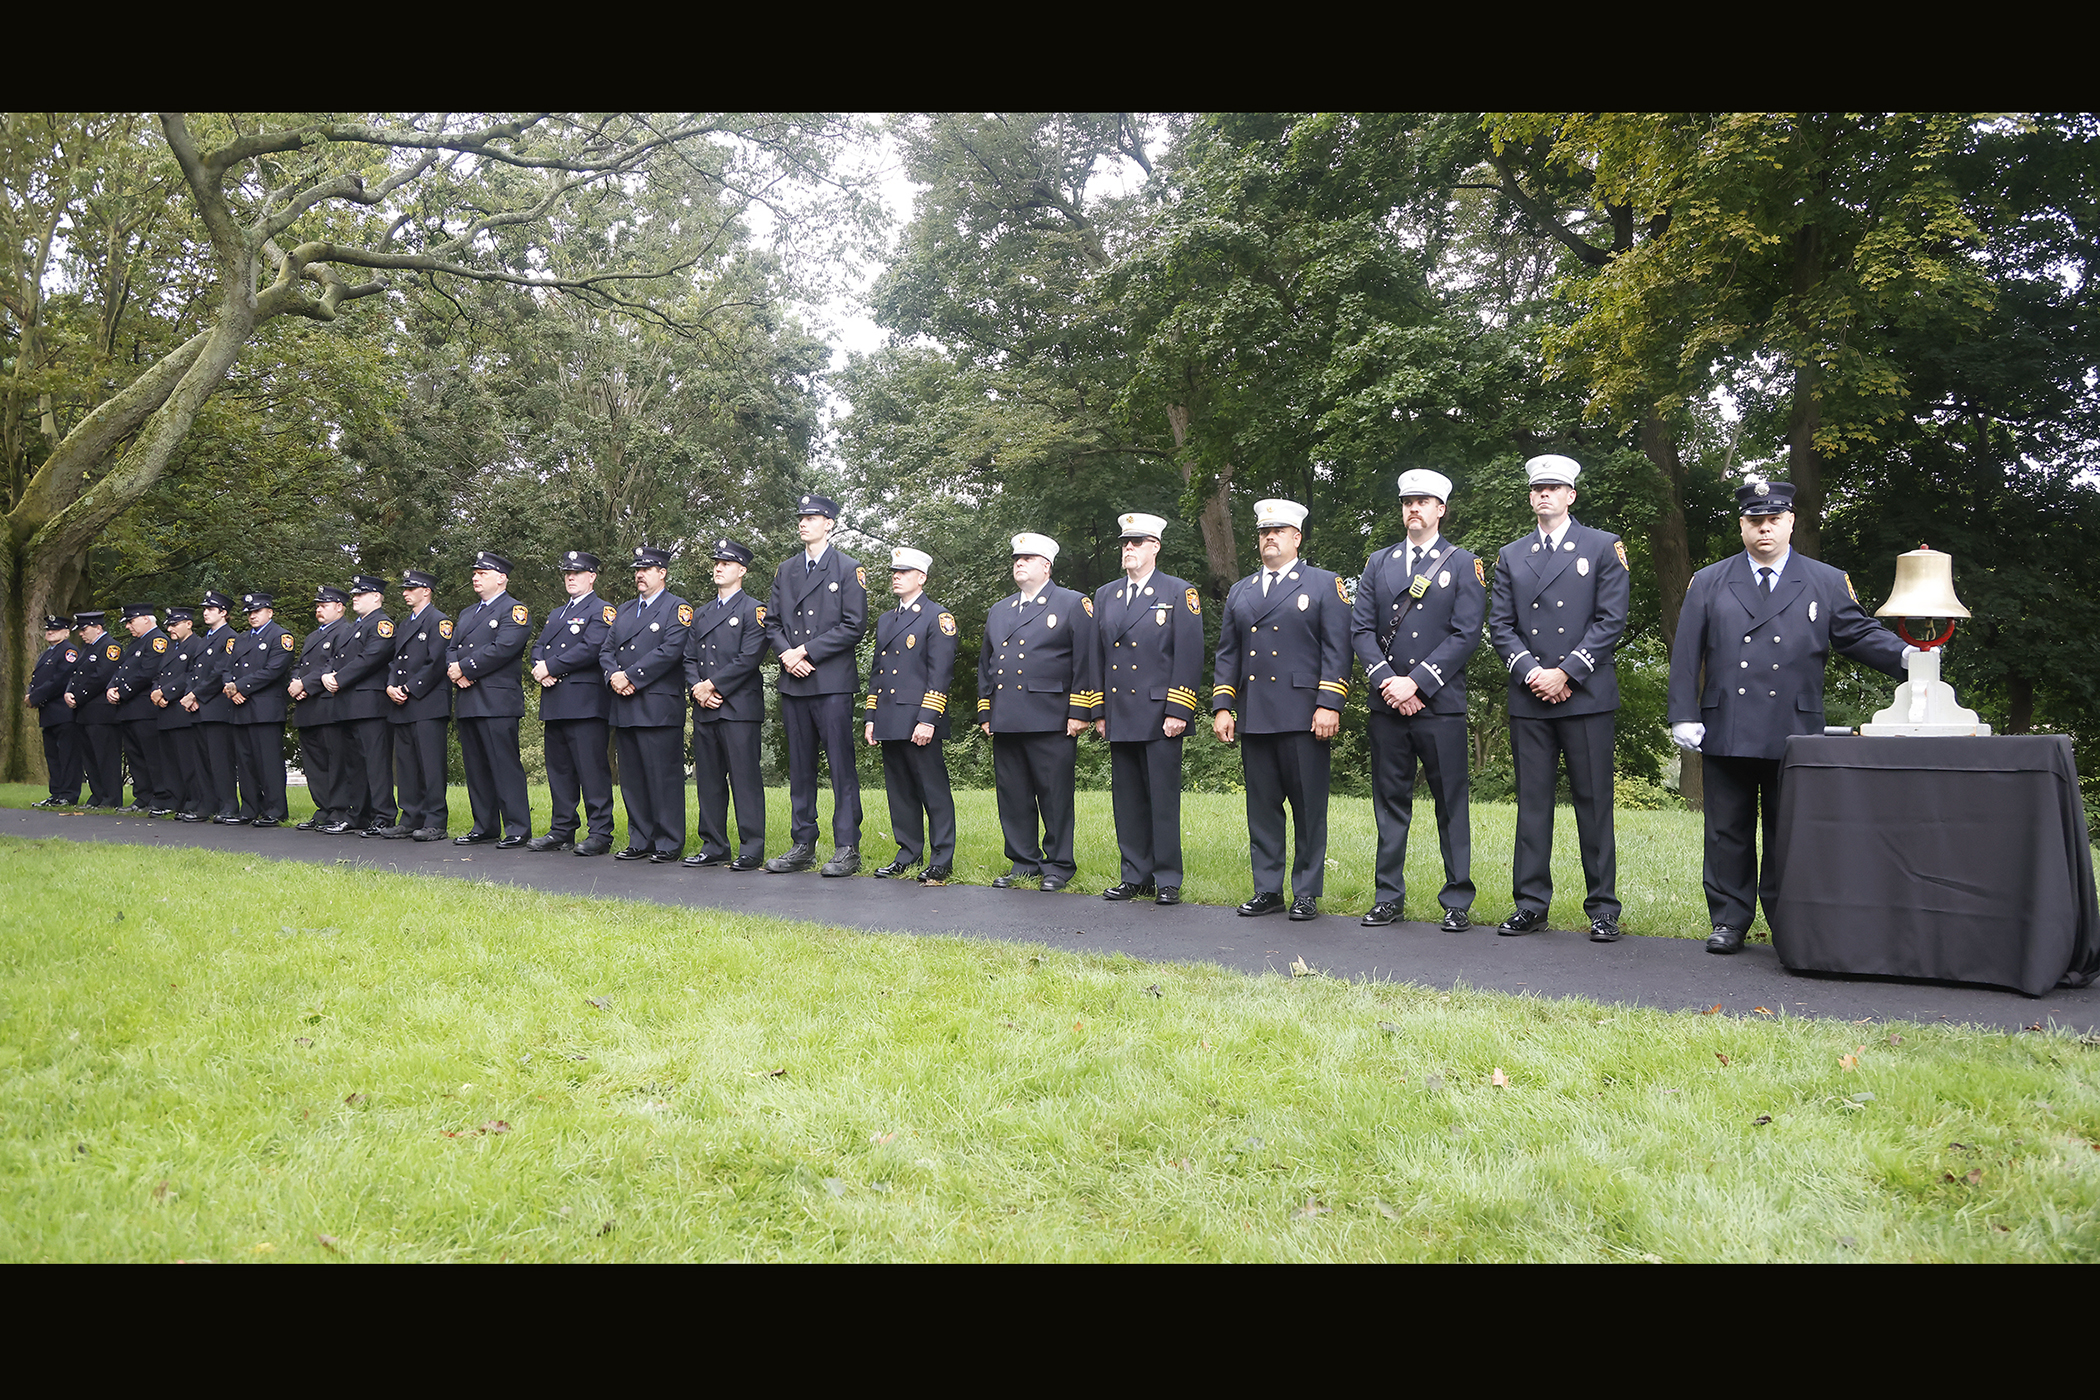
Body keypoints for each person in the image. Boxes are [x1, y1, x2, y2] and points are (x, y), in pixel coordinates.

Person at [1668, 479, 1910, 954]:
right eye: (1755, 521)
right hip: (1727, 722)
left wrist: (1909, 657)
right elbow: (1685, 652)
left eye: (1774, 520)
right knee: (1726, 830)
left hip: (1794, 726)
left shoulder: (1825, 579)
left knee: (1789, 830)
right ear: (1742, 526)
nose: (1764, 529)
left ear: (1791, 522)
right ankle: (1729, 921)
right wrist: (1683, 713)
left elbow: (1858, 634)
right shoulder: (1709, 580)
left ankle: (1787, 920)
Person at [1486, 454, 1630, 942]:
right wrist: (1534, 673)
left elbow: (1611, 619)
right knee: (1532, 804)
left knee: (1594, 804)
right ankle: (1530, 904)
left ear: (1571, 495)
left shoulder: (1603, 546)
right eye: (1538, 488)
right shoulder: (1511, 554)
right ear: (1530, 496)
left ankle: (1603, 908)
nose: (1545, 494)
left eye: (1554, 487)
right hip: (1530, 697)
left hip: (1585, 694)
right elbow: (1500, 626)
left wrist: (1566, 672)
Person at [1350, 470, 1485, 931]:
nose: (1414, 508)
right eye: (1408, 501)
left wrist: (1418, 683)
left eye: (1424, 502)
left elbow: (1467, 634)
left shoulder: (1464, 563)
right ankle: (1388, 896)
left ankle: (1457, 901)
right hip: (1387, 705)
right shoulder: (1377, 562)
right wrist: (1390, 681)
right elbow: (1361, 630)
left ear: (1441, 509)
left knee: (1451, 803)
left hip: (1440, 705)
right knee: (1389, 803)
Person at [1212, 499, 1353, 920]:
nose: (1269, 537)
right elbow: (1227, 654)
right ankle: (1268, 889)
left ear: (1297, 537)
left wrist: (1330, 703)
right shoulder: (1242, 591)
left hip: (1304, 714)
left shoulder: (1325, 584)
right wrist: (1223, 706)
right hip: (1256, 716)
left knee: (1309, 808)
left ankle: (1306, 891)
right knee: (1263, 808)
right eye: (1263, 532)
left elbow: (1338, 649)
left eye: (1278, 531)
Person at [977, 532, 1100, 892]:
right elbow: (986, 664)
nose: (1019, 563)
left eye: (1027, 559)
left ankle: (1059, 864)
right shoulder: (1000, 610)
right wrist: (986, 710)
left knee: (1054, 794)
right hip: (1008, 716)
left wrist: (1081, 710)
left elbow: (1086, 660)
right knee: (1012, 794)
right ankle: (1023, 862)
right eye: (1017, 558)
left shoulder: (1072, 603)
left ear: (1046, 566)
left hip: (1053, 715)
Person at [1095, 511, 1203, 906]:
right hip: (1120, 711)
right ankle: (1134, 875)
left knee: (1162, 798)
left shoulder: (1178, 592)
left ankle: (1167, 878)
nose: (1128, 549)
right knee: (1126, 799)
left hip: (1160, 713)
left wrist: (1180, 709)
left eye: (1136, 542)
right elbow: (1097, 657)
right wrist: (1099, 711)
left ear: (1155, 546)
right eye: (1125, 543)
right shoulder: (1106, 594)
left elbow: (1189, 656)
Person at [764, 494, 868, 876]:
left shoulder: (848, 568)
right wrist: (787, 655)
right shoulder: (786, 569)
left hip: (831, 682)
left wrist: (805, 650)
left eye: (812, 517)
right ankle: (802, 843)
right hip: (794, 681)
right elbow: (771, 622)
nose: (803, 523)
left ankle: (846, 847)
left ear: (830, 523)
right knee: (801, 767)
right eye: (801, 517)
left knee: (841, 766)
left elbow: (854, 625)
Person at [863, 546, 958, 884]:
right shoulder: (888, 619)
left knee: (933, 791)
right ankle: (907, 853)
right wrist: (871, 716)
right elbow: (879, 672)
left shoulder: (937, 617)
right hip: (889, 716)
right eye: (894, 571)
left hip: (919, 718)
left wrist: (927, 719)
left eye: (904, 572)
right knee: (900, 792)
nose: (896, 576)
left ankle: (941, 859)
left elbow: (940, 673)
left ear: (922, 578)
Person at [683, 539, 768, 870]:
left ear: (742, 571)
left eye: (726, 564)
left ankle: (752, 847)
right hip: (705, 708)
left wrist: (712, 685)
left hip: (738, 708)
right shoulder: (701, 612)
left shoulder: (754, 610)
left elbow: (749, 657)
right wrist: (697, 689)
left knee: (744, 779)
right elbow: (688, 658)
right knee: (709, 780)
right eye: (716, 563)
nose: (718, 568)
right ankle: (714, 844)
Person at [602, 545, 690, 863]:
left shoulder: (677, 608)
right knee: (633, 778)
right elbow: (606, 650)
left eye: (647, 569)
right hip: (625, 705)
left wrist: (631, 677)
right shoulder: (624, 610)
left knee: (663, 777)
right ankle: (640, 839)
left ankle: (668, 841)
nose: (639, 575)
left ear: (662, 573)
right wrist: (613, 675)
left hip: (657, 705)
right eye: (637, 570)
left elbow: (670, 651)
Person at [528, 551, 615, 855]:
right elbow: (537, 647)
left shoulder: (602, 610)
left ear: (592, 577)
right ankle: (562, 829)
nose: (570, 577)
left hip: (585, 704)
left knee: (591, 770)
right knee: (560, 771)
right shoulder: (556, 613)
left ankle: (600, 833)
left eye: (577, 573)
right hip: (556, 702)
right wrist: (540, 667)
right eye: (567, 573)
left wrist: (550, 666)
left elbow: (592, 649)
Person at [447, 551, 533, 848]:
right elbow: (452, 647)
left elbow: (503, 648)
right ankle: (484, 825)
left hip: (497, 701)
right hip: (469, 698)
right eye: (475, 573)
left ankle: (517, 828)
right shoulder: (467, 613)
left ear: (501, 578)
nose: (475, 577)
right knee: (476, 767)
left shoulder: (514, 610)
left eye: (482, 573)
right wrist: (454, 669)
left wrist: (465, 668)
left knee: (503, 765)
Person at [383, 570, 452, 841]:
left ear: (426, 591)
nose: (404, 593)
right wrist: (390, 685)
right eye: (404, 589)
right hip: (402, 703)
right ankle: (410, 817)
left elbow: (436, 663)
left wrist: (409, 688)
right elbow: (395, 661)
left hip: (427, 702)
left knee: (431, 764)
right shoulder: (404, 624)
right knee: (407, 764)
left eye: (411, 589)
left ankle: (435, 820)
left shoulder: (439, 621)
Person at [329, 576, 399, 836]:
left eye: (362, 594)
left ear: (377, 597)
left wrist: (338, 678)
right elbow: (333, 658)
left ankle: (383, 815)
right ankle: (357, 814)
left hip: (371, 704)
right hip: (347, 703)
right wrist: (328, 674)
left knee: (376, 763)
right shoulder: (349, 628)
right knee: (354, 764)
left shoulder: (382, 624)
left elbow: (370, 658)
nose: (355, 598)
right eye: (354, 595)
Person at [226, 591, 295, 826]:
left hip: (265, 708)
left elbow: (273, 670)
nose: (252, 616)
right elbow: (227, 667)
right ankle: (249, 808)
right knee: (245, 762)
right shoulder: (241, 639)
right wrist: (231, 687)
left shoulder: (280, 636)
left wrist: (240, 687)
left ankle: (275, 810)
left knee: (269, 762)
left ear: (270, 612)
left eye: (257, 611)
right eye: (249, 613)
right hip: (240, 707)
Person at [288, 585, 350, 831]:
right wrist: (295, 682)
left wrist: (305, 684)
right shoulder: (314, 636)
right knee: (313, 763)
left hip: (329, 705)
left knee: (335, 762)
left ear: (339, 607)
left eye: (324, 605)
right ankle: (323, 808)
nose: (318, 609)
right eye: (317, 605)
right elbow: (301, 665)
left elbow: (334, 665)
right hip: (308, 706)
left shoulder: (345, 631)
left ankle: (339, 810)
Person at [109, 604, 175, 814]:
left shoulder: (157, 641)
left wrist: (123, 691)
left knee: (152, 756)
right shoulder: (136, 643)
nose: (128, 626)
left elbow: (148, 672)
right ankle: (143, 795)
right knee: (135, 756)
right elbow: (121, 670)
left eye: (131, 621)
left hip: (145, 708)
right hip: (129, 709)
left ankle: (160, 796)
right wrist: (111, 688)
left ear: (146, 618)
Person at [189, 591, 244, 824]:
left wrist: (195, 694)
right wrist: (190, 696)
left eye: (210, 609)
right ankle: (207, 803)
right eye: (204, 609)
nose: (205, 612)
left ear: (223, 612)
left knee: (220, 759)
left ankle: (228, 804)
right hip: (200, 707)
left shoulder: (229, 638)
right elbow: (194, 672)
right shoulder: (205, 639)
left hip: (217, 706)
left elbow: (220, 671)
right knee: (203, 760)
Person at [151, 607, 209, 821]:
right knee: (170, 762)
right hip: (165, 709)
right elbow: (158, 673)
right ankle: (175, 800)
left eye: (174, 625)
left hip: (182, 709)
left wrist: (166, 692)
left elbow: (190, 675)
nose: (170, 629)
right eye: (169, 625)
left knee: (188, 761)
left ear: (188, 624)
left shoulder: (198, 645)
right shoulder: (171, 647)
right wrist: (156, 691)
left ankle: (193, 801)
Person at [26, 616, 83, 807]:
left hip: (63, 711)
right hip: (49, 712)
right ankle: (56, 793)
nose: (50, 632)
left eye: (55, 630)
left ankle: (69, 794)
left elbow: (59, 681)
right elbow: (38, 679)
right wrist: (31, 693)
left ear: (66, 632)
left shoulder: (68, 651)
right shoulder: (47, 654)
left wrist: (35, 697)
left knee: (67, 755)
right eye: (48, 630)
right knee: (53, 755)